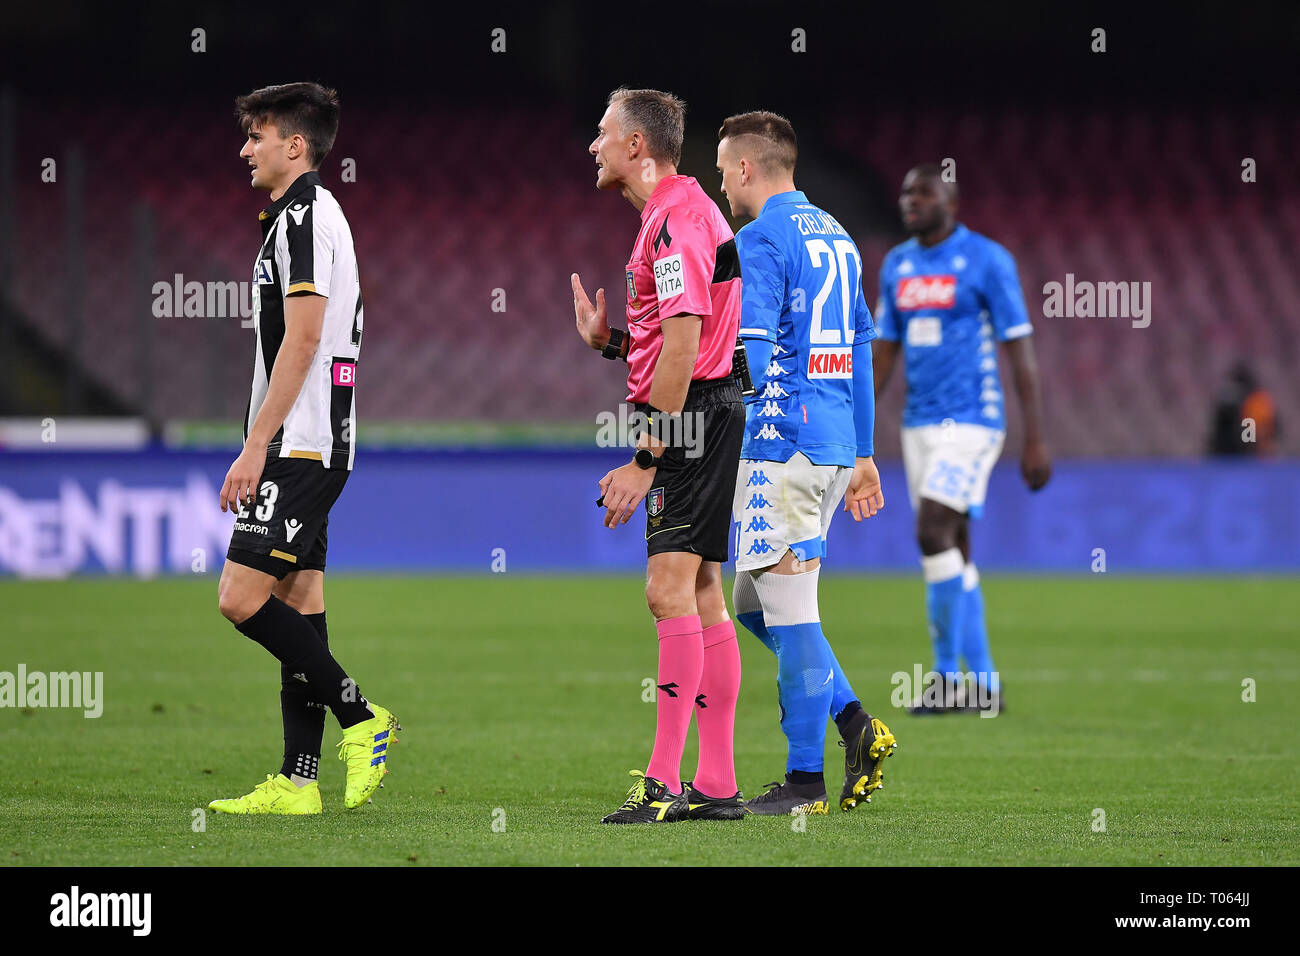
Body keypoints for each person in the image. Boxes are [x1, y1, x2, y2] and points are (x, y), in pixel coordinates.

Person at [208, 82, 398, 815]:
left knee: (238, 598)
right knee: (300, 596)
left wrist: (257, 444)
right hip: (313, 436)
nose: (245, 148)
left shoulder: (304, 217)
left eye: (257, 135)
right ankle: (297, 780)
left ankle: (362, 716)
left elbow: (308, 335)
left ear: (295, 144)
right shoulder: (303, 217)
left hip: (301, 443)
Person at [572, 88, 747, 823]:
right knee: (702, 589)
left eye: (604, 131)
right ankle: (714, 783)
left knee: (667, 590)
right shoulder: (677, 214)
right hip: (706, 406)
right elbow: (679, 342)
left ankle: (663, 783)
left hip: (693, 416)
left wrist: (646, 460)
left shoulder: (675, 219)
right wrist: (611, 343)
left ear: (637, 146)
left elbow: (683, 348)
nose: (594, 145)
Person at [716, 111, 897, 815]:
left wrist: (740, 401)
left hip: (783, 448)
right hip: (826, 444)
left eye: (725, 168)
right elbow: (858, 351)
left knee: (789, 609)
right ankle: (855, 724)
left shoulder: (760, 237)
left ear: (746, 169)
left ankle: (804, 784)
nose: (722, 181)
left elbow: (756, 347)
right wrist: (863, 451)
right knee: (756, 607)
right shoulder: (840, 236)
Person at [873, 165, 1051, 715]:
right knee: (954, 547)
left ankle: (949, 678)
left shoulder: (989, 261)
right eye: (906, 193)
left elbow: (1020, 352)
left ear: (952, 199)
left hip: (974, 421)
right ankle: (986, 686)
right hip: (919, 424)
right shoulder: (897, 265)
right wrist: (855, 427)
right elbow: (884, 353)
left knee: (931, 530)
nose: (911, 201)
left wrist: (1036, 438)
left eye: (924, 192)